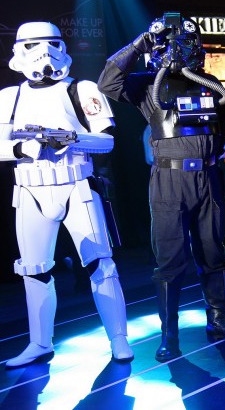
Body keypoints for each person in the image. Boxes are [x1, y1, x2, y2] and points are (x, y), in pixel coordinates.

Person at [98, 12, 225, 362]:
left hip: (208, 178)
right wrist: (140, 43)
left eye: (185, 41)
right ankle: (169, 333)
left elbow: (224, 123)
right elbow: (108, 81)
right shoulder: (146, 85)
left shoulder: (209, 83)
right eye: (171, 42)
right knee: (169, 260)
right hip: (170, 180)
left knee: (213, 253)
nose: (179, 48)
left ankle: (218, 319)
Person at [0, 21, 133, 367]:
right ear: (19, 51)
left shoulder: (81, 89)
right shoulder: (9, 97)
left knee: (101, 264)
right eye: (34, 45)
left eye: (51, 43)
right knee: (33, 269)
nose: (44, 53)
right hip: (30, 189)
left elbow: (107, 141)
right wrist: (23, 148)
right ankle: (39, 343)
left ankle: (118, 339)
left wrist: (73, 139)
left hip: (76, 185)